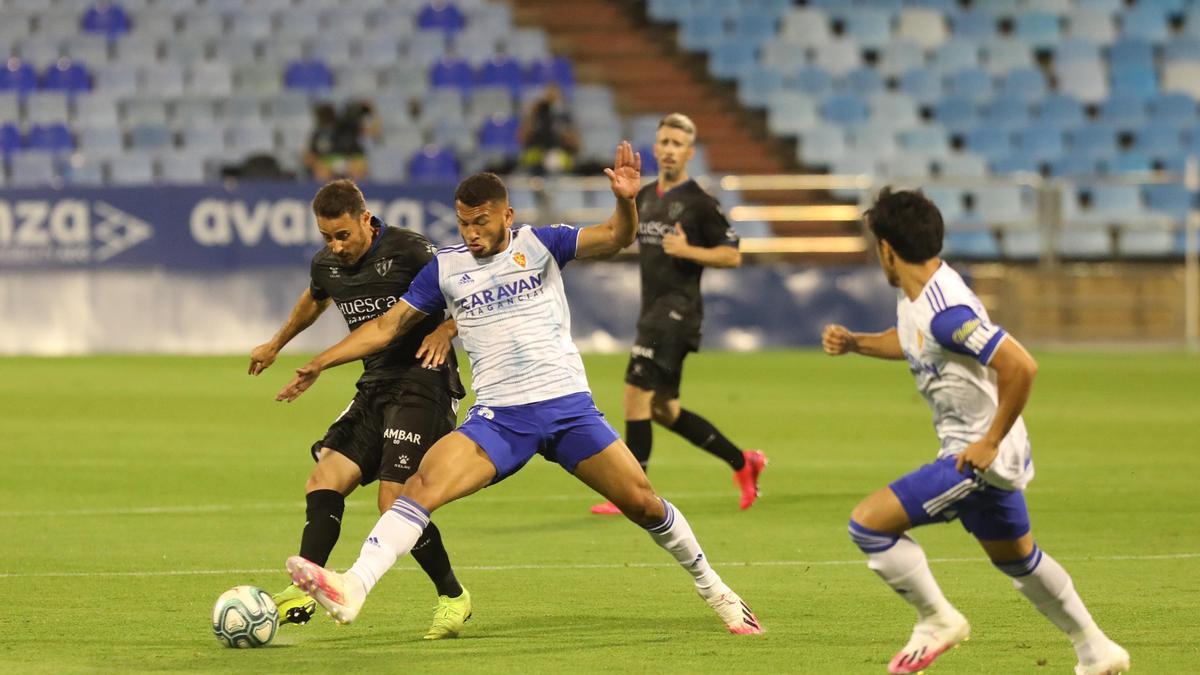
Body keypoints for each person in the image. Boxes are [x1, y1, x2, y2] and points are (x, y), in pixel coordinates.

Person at [274, 143, 763, 636]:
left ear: (507, 214)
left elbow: (616, 237)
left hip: (568, 409)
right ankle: (353, 587)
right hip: (500, 419)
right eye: (464, 223)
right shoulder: (445, 267)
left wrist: (626, 201)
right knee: (418, 487)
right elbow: (387, 327)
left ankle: (717, 591)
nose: (472, 233)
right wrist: (319, 361)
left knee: (644, 503)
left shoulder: (544, 243)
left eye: (481, 222)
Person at [822, 188, 1129, 675]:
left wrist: (988, 441)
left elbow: (1021, 366)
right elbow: (912, 342)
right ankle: (1097, 650)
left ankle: (937, 620)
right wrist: (858, 343)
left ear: (886, 248)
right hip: (986, 453)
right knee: (1019, 561)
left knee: (869, 525)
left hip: (977, 457)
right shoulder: (918, 295)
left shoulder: (948, 314)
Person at [248, 179, 473, 640]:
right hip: (375, 385)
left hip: (424, 383)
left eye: (343, 235)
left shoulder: (410, 250)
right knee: (324, 477)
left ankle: (453, 596)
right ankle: (305, 585)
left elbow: (470, 291)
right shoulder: (327, 263)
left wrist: (446, 331)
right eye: (326, 236)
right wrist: (275, 344)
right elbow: (315, 298)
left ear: (365, 220)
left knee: (395, 499)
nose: (335, 246)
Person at [590, 113, 765, 516]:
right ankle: (743, 462)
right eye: (664, 142)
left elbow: (732, 255)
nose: (669, 150)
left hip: (676, 314)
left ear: (689, 152)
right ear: (655, 148)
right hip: (652, 312)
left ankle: (634, 493)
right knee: (663, 410)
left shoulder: (701, 204)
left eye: (677, 144)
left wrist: (690, 252)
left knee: (635, 396)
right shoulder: (647, 195)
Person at [517, 85, 579, 175]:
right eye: (549, 96)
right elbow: (522, 138)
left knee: (554, 161)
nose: (551, 100)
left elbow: (575, 144)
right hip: (537, 151)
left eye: (554, 97)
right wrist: (532, 115)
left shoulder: (565, 116)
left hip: (559, 152)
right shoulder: (536, 114)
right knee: (531, 159)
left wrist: (566, 135)